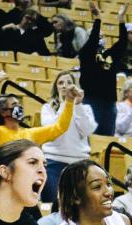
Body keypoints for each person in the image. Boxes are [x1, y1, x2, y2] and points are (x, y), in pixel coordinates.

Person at [40, 71, 98, 205]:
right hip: (54, 162)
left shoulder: (85, 108)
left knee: (81, 206)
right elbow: (53, 130)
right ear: (56, 88)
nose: (65, 86)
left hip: (79, 163)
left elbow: (88, 129)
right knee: (53, 205)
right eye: (61, 83)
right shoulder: (47, 108)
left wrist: (76, 105)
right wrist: (63, 104)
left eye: (69, 83)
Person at [0, 71, 75, 152]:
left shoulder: (30, 134)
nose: (19, 107)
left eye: (19, 104)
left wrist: (69, 102)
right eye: (14, 105)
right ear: (3, 112)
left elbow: (60, 128)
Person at [77, 2, 128, 137]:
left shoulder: (109, 55)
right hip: (91, 101)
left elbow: (123, 43)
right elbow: (93, 41)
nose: (100, 39)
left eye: (102, 37)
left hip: (110, 103)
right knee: (92, 138)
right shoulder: (86, 53)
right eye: (97, 37)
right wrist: (98, 19)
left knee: (106, 140)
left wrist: (121, 19)